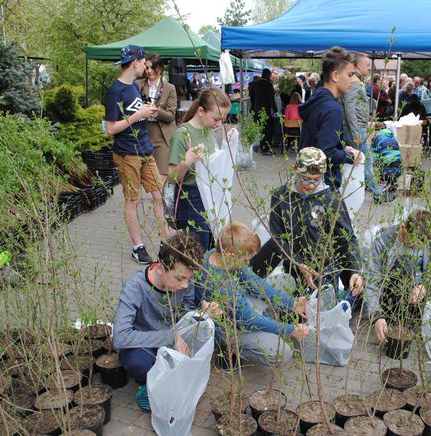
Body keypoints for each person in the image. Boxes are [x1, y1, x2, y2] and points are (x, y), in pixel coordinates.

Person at [113, 231, 220, 411]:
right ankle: (146, 386)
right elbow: (121, 337)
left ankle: (171, 383)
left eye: (189, 278)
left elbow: (184, 315)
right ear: (161, 268)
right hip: (144, 343)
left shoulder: (184, 282)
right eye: (180, 278)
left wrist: (201, 315)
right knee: (138, 362)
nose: (186, 285)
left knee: (207, 338)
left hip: (173, 338)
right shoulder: (135, 286)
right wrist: (170, 336)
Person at [249, 147, 364, 303]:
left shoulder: (331, 199)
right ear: (295, 170)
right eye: (305, 178)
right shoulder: (281, 197)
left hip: (324, 268)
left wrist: (354, 271)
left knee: (322, 309)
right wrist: (298, 263)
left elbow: (347, 238)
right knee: (293, 313)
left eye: (316, 179)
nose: (310, 185)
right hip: (294, 265)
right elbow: (278, 238)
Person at [199, 222, 310, 367]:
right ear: (231, 255)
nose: (247, 262)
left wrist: (292, 303)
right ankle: (228, 349)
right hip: (228, 327)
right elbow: (249, 319)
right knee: (282, 353)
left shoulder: (218, 254)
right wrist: (290, 330)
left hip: (238, 306)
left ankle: (265, 324)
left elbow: (255, 283)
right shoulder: (219, 284)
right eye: (245, 260)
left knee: (286, 281)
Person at [104, 45, 169, 264]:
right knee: (133, 200)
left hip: (145, 149)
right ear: (135, 63)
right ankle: (137, 247)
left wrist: (147, 111)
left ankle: (166, 241)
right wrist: (138, 114)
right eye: (143, 62)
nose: (146, 67)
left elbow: (135, 114)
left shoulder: (133, 87)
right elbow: (111, 128)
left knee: (159, 195)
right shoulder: (115, 90)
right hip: (128, 154)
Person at [167, 88, 231, 251]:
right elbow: (172, 177)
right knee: (198, 251)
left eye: (222, 119)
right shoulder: (183, 134)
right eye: (216, 119)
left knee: (213, 246)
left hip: (211, 196)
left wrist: (226, 148)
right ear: (201, 111)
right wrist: (186, 161)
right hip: (192, 199)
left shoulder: (208, 131)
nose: (219, 124)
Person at [365, 210, 431, 342]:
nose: (415, 248)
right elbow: (372, 283)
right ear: (403, 227)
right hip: (390, 299)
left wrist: (426, 287)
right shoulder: (383, 243)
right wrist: (377, 316)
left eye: (419, 246)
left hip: (418, 301)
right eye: (412, 243)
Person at [299, 46, 361, 189]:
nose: (352, 80)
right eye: (350, 74)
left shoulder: (317, 99)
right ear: (335, 76)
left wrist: (344, 147)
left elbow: (319, 139)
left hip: (307, 179)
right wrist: (350, 156)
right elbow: (324, 152)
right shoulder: (332, 109)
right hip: (323, 183)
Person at [340, 52, 389, 203]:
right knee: (366, 161)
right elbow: (349, 107)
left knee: (357, 160)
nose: (369, 68)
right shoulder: (354, 83)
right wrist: (356, 132)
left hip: (357, 127)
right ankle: (378, 194)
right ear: (359, 66)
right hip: (355, 129)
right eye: (367, 65)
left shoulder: (353, 81)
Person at [136, 53, 177, 183]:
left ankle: (159, 203)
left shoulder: (170, 88)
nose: (148, 71)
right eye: (146, 68)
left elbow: (171, 116)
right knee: (145, 177)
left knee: (162, 177)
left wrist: (157, 111)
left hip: (163, 136)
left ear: (159, 68)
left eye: (151, 68)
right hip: (144, 134)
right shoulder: (137, 85)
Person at [249, 68, 278, 156]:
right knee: (267, 130)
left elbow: (251, 97)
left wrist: (253, 107)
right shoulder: (268, 84)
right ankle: (265, 148)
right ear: (269, 75)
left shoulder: (254, 83)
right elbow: (271, 99)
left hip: (256, 109)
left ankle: (261, 147)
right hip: (265, 110)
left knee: (260, 129)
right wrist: (276, 110)